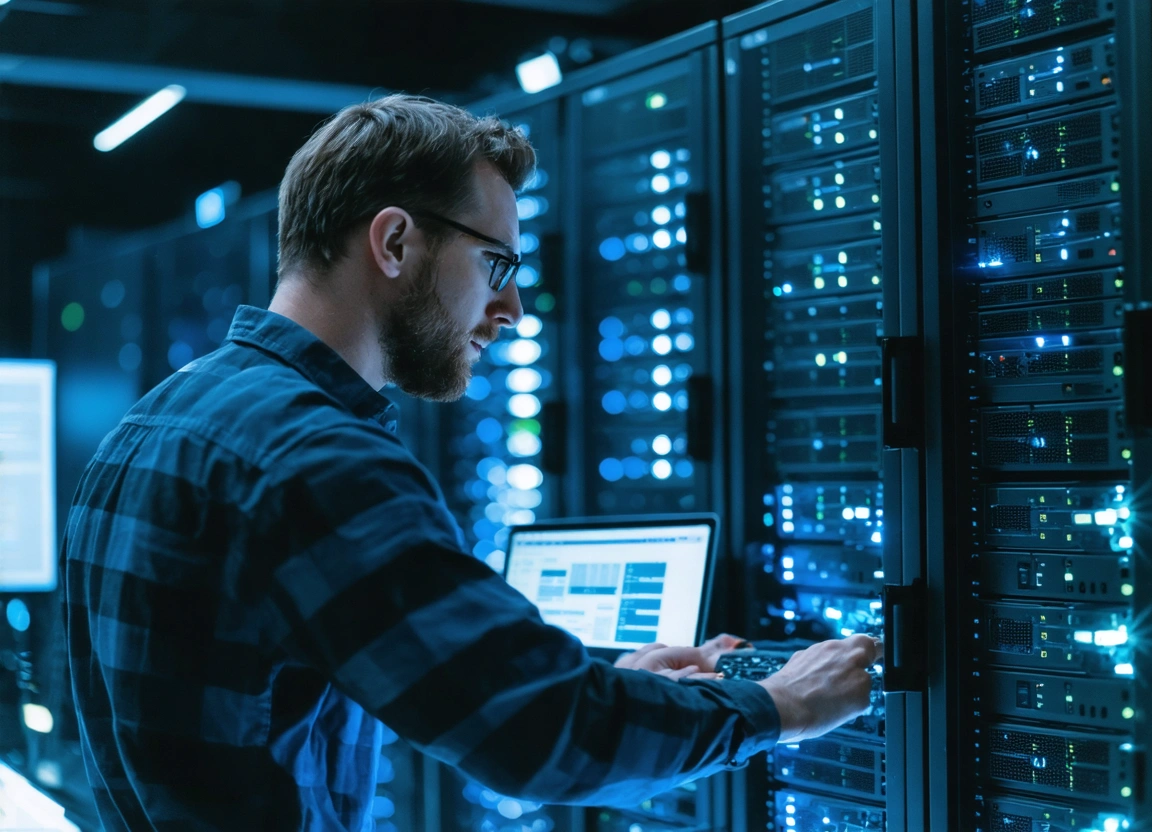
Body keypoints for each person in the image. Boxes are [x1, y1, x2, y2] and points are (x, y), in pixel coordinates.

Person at [62, 95, 882, 831]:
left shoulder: (161, 419)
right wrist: (780, 704)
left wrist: (602, 685)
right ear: (394, 241)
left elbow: (335, 689)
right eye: (498, 265)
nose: (513, 309)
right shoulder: (317, 458)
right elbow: (541, 739)